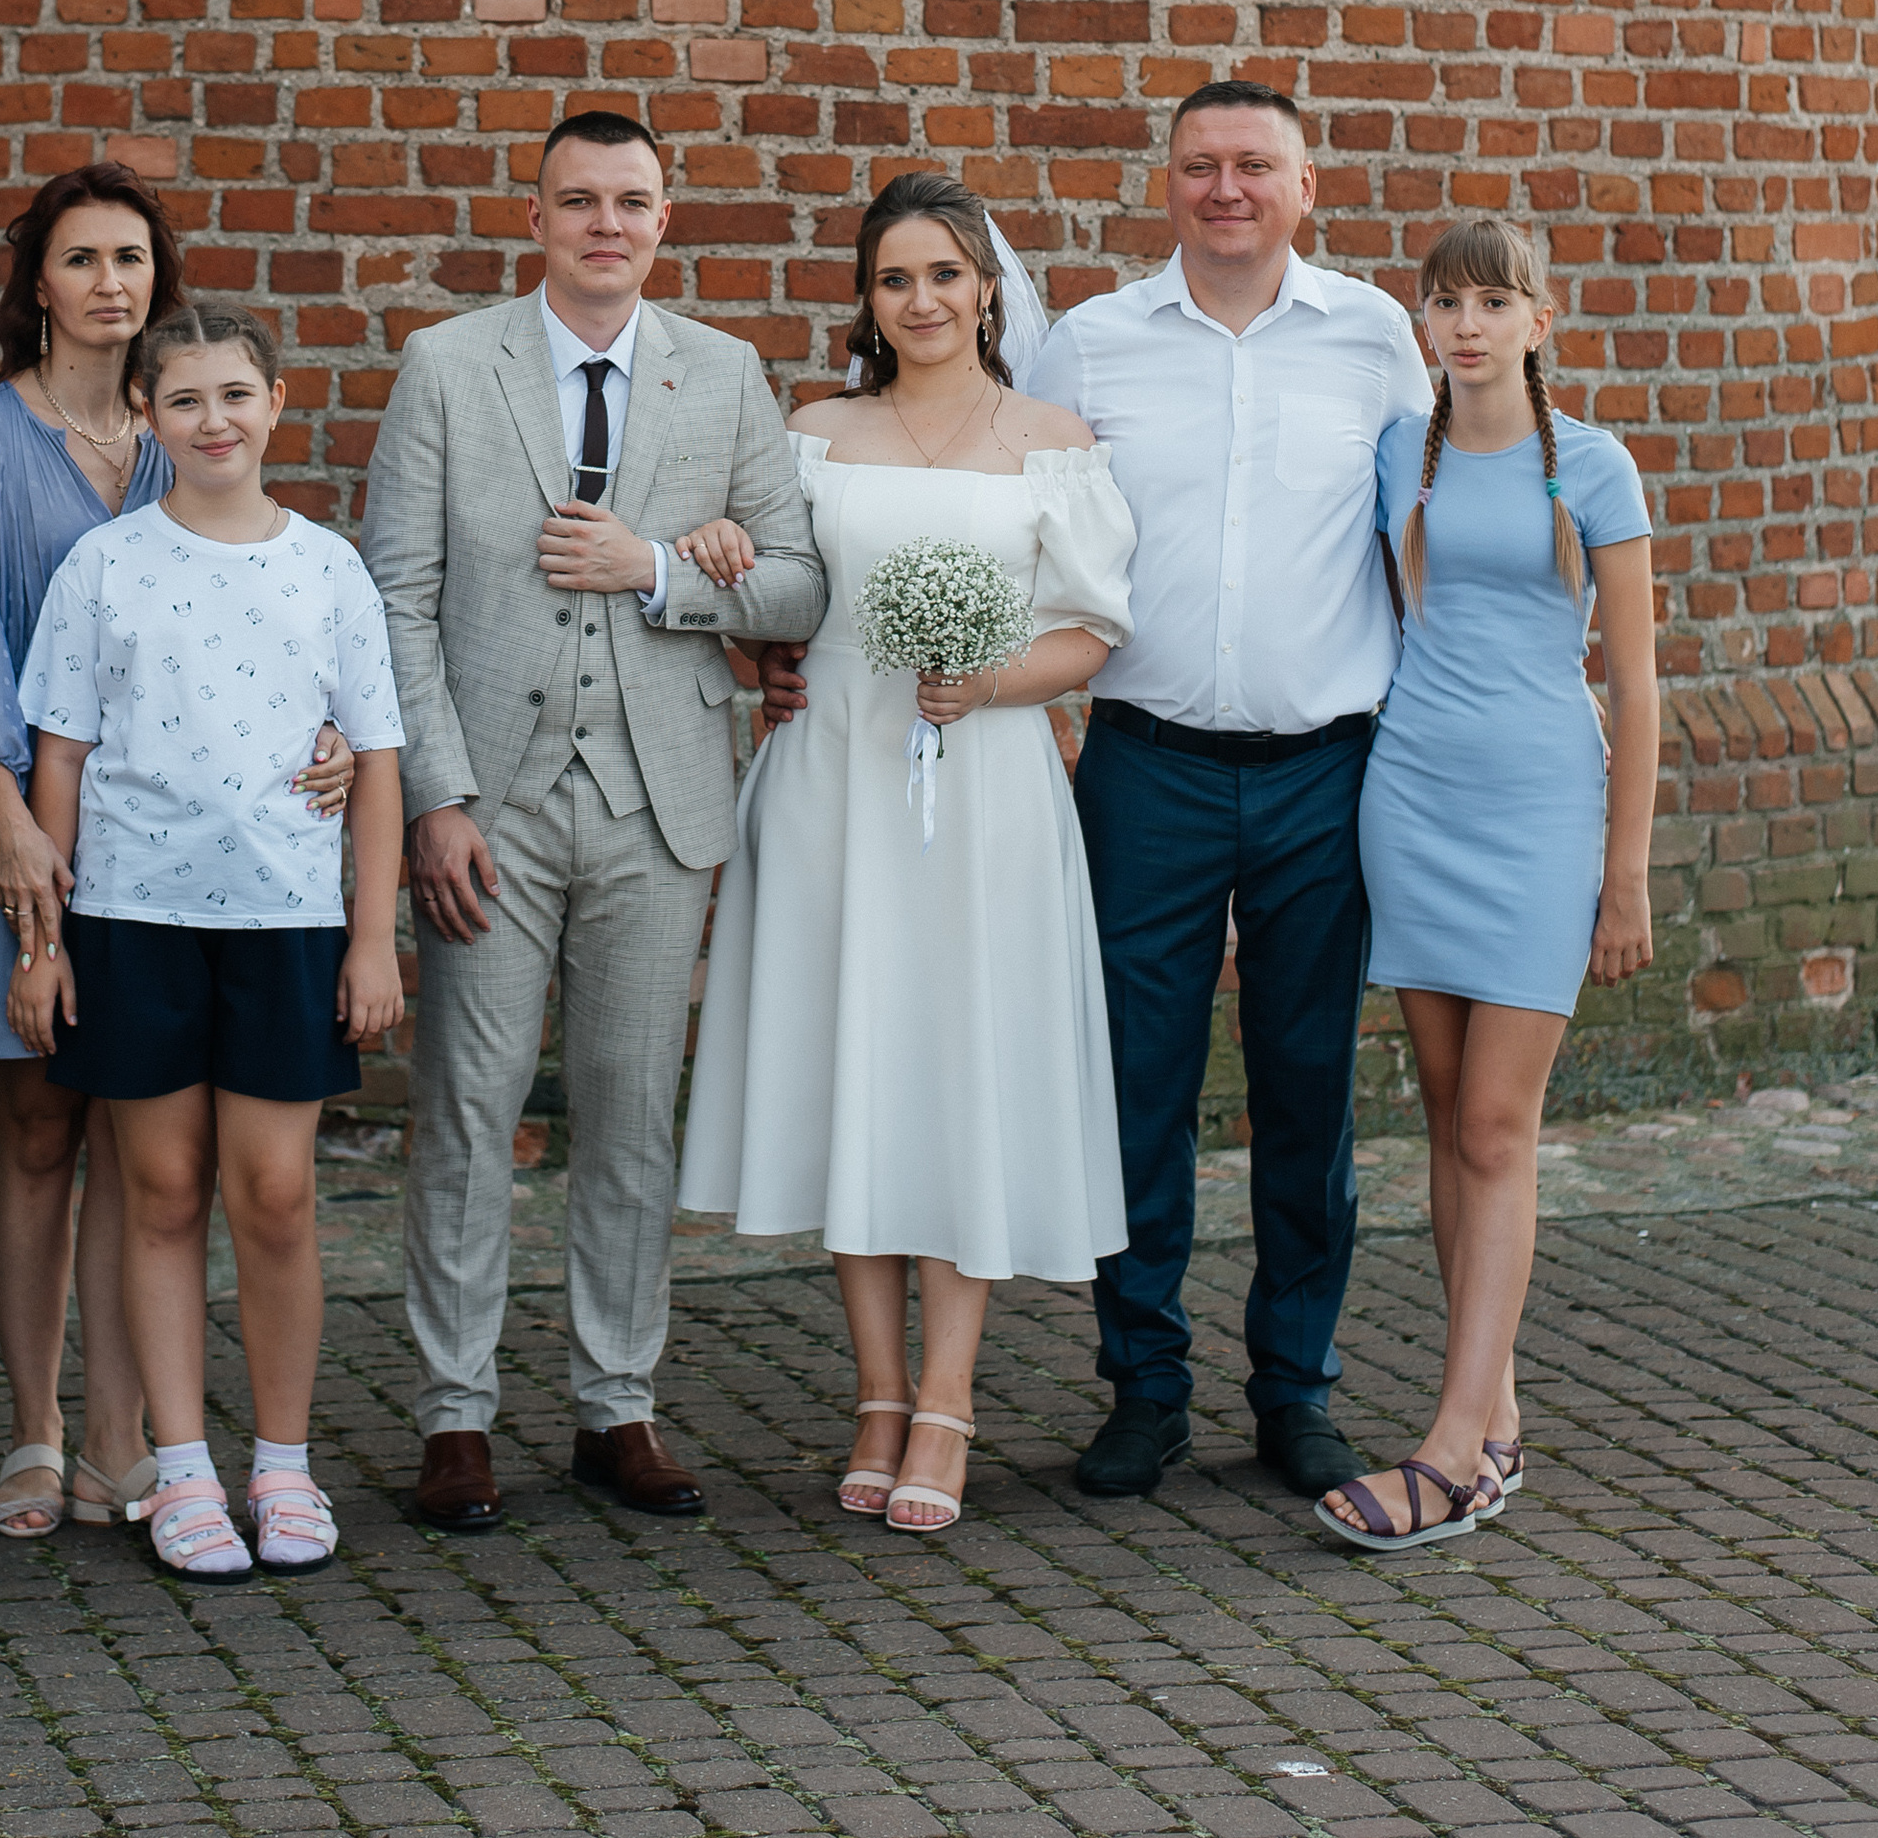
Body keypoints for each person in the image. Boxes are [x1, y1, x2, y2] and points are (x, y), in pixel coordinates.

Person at [360, 107, 830, 1532]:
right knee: (469, 1110)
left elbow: (800, 587)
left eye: (631, 199)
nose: (605, 223)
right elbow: (394, 595)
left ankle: (616, 1402)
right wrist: (434, 798)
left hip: (659, 800)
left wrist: (660, 574)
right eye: (579, 200)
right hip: (491, 803)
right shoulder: (448, 365)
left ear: (665, 214)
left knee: (631, 1116)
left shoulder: (726, 372)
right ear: (539, 214)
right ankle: (455, 1416)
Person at [679, 171, 1136, 1536]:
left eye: (945, 273)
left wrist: (986, 680)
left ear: (989, 287)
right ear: (868, 299)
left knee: (960, 1070)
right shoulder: (813, 431)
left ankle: (949, 1395)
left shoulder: (1052, 437)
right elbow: (765, 601)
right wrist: (728, 595)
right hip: (834, 784)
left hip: (985, 794)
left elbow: (1094, 629)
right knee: (855, 1066)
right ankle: (875, 1391)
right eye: (895, 278)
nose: (922, 299)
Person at [0, 162, 361, 1540]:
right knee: (42, 1121)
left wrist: (339, 741)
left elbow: (258, 628)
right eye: (81, 258)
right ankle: (39, 1429)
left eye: (131, 257)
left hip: (176, 859)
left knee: (140, 1140)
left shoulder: (183, 421)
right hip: (23, 820)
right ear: (36, 282)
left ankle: (133, 1434)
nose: (110, 282)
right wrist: (5, 816)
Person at [1021, 79, 1434, 1502]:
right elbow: (1015, 522)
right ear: (1169, 183)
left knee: (1308, 1092)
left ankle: (1295, 1387)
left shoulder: (1380, 339)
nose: (1227, 187)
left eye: (1256, 163)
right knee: (1132, 1087)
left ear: (1306, 186)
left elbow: (1437, 532)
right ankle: (1142, 1385)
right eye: (1201, 164)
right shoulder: (1094, 343)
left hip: (1328, 767)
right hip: (1148, 766)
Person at [5, 304, 406, 1576]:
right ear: (148, 415)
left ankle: (281, 1467)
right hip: (134, 922)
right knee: (163, 1192)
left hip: (287, 923)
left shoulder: (327, 567)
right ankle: (180, 1468)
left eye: (235, 394)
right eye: (183, 401)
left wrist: (374, 939)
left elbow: (381, 761)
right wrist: (46, 941)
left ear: (277, 402)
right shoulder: (106, 566)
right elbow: (57, 758)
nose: (213, 420)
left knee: (275, 1195)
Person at [1316, 217, 1656, 1552]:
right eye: (1444, 301)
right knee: (1452, 1116)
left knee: (1500, 1130)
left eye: (1492, 300)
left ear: (1538, 319)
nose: (1465, 323)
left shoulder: (1598, 469)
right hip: (1411, 798)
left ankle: (1454, 1447)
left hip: (1537, 811)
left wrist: (1623, 874)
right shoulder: (1407, 446)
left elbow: (1635, 683)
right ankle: (1493, 1412)